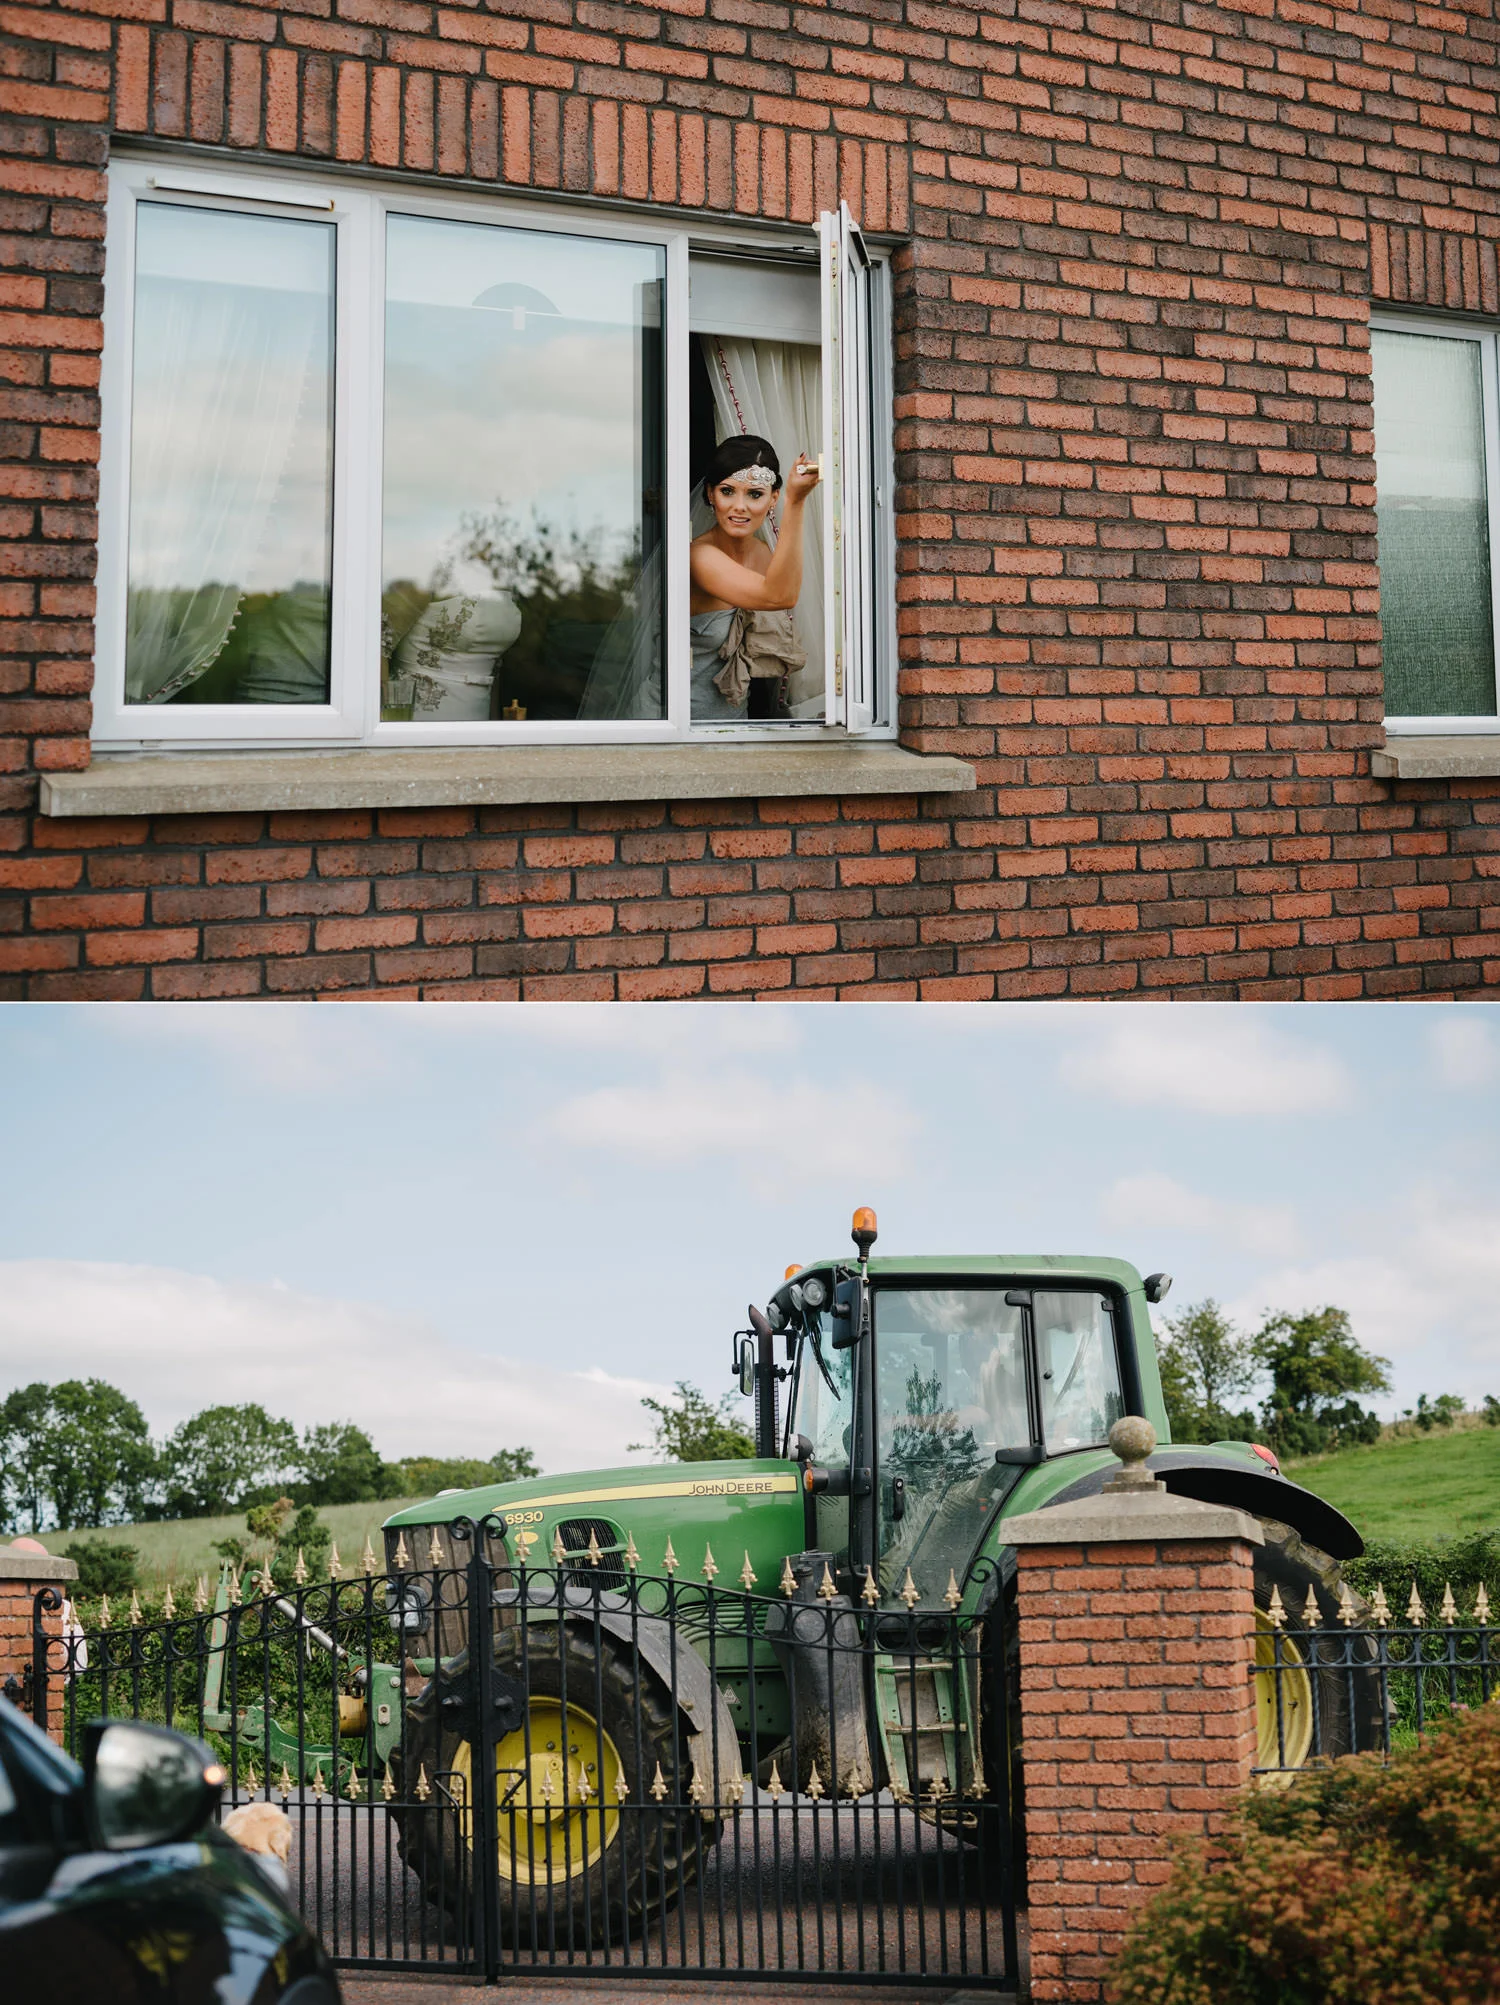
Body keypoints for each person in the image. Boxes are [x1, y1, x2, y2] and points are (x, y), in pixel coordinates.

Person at [689, 435, 820, 723]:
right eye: (727, 491)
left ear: (773, 498)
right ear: (710, 495)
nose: (740, 506)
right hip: (678, 723)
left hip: (735, 723)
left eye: (755, 494)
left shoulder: (768, 556)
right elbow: (778, 596)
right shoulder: (698, 557)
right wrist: (795, 503)